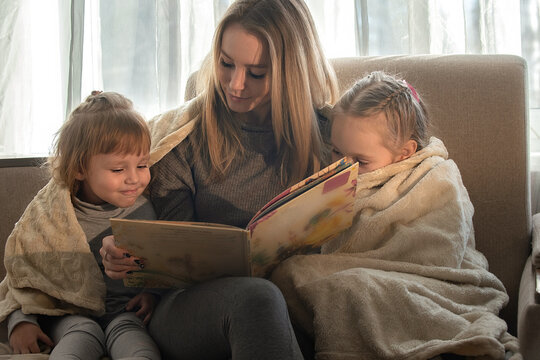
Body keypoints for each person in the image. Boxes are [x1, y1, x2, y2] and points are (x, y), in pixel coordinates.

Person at [100, 0, 339, 358]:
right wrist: (122, 258)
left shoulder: (327, 139)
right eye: (226, 64)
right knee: (258, 297)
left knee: (284, 309)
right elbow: (164, 253)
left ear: (292, 72)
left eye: (257, 73)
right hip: (189, 306)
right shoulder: (186, 137)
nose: (236, 84)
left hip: (289, 304)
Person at [270, 71, 520, 359]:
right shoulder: (334, 182)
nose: (343, 167)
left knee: (356, 287)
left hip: (427, 282)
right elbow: (329, 247)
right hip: (353, 271)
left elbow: (441, 249)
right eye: (336, 152)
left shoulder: (436, 177)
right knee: (290, 273)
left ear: (405, 152)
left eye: (360, 161)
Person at [0, 91, 161, 359]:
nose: (134, 179)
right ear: (79, 169)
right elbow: (23, 275)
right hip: (68, 315)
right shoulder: (50, 217)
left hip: (125, 314)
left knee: (139, 348)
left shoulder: (145, 209)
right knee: (79, 338)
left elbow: (159, 265)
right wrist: (20, 321)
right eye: (118, 170)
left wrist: (152, 293)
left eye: (142, 165)